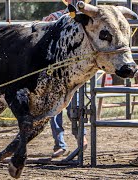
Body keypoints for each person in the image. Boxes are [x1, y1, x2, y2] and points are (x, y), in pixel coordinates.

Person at [43, 0, 89, 158]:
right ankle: (61, 143)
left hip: (76, 70)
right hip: (58, 71)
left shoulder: (86, 16)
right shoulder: (57, 17)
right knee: (55, 109)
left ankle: (79, 137)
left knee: (74, 107)